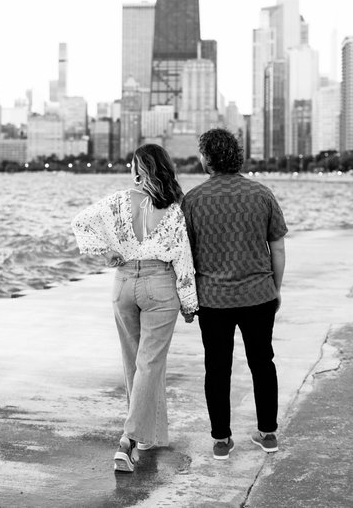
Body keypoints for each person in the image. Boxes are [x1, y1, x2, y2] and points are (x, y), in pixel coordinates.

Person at [71, 143, 198, 473]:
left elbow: (80, 223)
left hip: (124, 283)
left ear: (139, 170)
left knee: (135, 364)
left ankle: (149, 436)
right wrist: (189, 304)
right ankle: (128, 439)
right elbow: (183, 260)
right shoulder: (172, 210)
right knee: (150, 364)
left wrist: (107, 252)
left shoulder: (117, 201)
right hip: (159, 286)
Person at [181, 128, 287, 460]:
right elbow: (278, 247)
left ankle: (221, 440)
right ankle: (268, 433)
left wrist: (186, 298)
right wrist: (276, 288)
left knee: (217, 367)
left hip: (213, 299)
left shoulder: (194, 200)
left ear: (207, 158)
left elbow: (185, 255)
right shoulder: (262, 194)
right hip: (259, 294)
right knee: (262, 361)